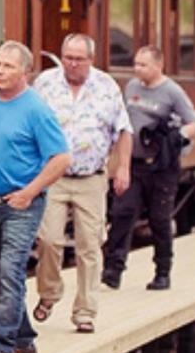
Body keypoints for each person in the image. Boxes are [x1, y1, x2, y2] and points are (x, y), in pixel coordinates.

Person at [0, 40, 71, 353]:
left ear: (25, 72)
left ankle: (1, 348)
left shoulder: (36, 109)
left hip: (20, 205)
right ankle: (25, 342)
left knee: (11, 271)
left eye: (7, 66)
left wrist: (29, 192)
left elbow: (61, 157)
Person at [29, 34, 129, 333]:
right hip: (52, 176)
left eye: (78, 59)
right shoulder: (45, 83)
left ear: (91, 60)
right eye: (68, 57)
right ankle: (49, 292)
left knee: (90, 245)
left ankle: (85, 312)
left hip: (91, 177)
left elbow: (123, 129)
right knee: (48, 239)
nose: (72, 64)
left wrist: (123, 167)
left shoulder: (106, 87)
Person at [105, 45, 195, 290]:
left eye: (143, 65)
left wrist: (173, 136)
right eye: (135, 63)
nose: (136, 68)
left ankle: (162, 272)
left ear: (159, 66)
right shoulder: (131, 87)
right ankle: (113, 270)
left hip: (161, 168)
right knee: (121, 213)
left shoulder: (172, 92)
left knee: (159, 219)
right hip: (134, 164)